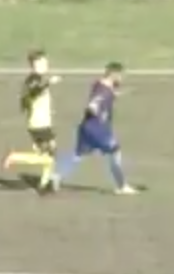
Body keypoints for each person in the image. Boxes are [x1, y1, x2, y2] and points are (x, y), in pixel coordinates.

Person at [45, 62, 137, 195]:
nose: (122, 79)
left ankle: (56, 176)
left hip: (85, 128)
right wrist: (94, 109)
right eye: (120, 76)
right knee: (115, 152)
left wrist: (119, 94)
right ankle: (121, 186)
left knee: (78, 155)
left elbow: (107, 93)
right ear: (114, 75)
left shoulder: (100, 84)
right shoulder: (103, 91)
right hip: (98, 130)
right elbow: (94, 103)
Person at [0, 49, 59, 190]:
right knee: (48, 156)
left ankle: (44, 184)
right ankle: (14, 157)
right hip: (39, 124)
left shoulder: (35, 79)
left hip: (41, 122)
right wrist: (49, 83)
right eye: (44, 62)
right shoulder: (34, 80)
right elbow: (34, 92)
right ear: (36, 64)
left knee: (49, 154)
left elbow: (30, 98)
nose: (47, 64)